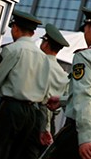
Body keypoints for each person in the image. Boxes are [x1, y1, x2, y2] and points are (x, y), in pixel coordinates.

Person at [44, 7, 91, 159]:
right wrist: (63, 101)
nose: (84, 33)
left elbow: (83, 97)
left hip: (80, 133)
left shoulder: (85, 57)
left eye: (85, 28)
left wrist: (84, 138)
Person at [0, 10, 53, 159]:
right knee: (16, 154)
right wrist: (44, 126)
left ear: (16, 28)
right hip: (31, 112)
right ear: (32, 33)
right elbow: (45, 95)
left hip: (11, 109)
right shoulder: (43, 58)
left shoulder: (12, 50)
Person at [32, 23, 71, 157]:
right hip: (52, 122)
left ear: (46, 44)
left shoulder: (39, 65)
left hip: (36, 119)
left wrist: (45, 127)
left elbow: (43, 98)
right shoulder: (63, 74)